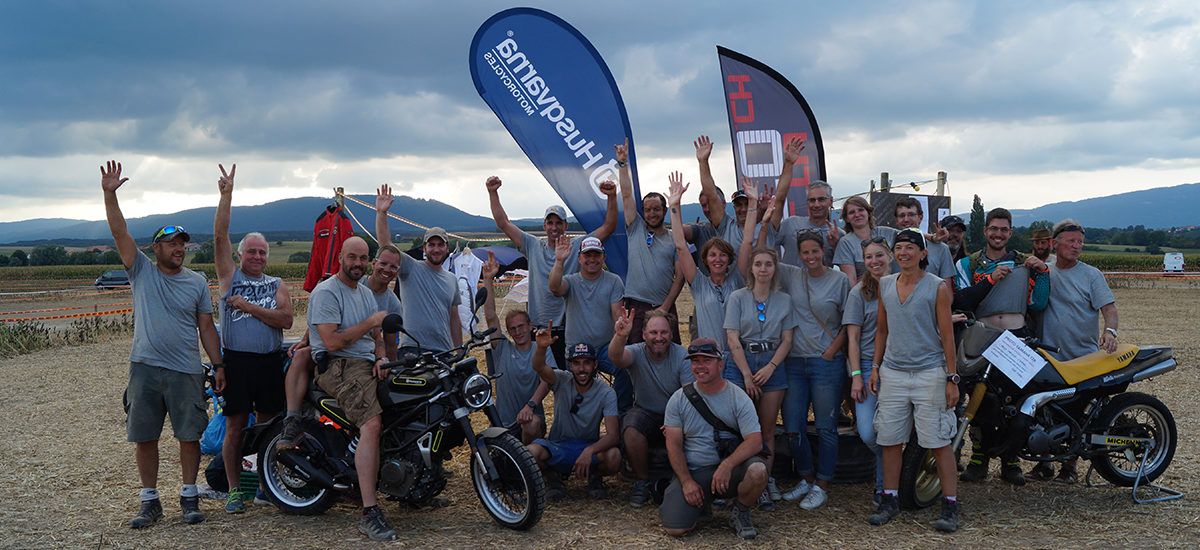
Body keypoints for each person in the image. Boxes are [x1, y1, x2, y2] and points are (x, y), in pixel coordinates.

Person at [102, 161, 222, 529]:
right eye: (172, 242)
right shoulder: (140, 270)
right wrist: (109, 194)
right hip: (145, 367)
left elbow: (206, 326)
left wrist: (219, 366)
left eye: (183, 243)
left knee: (190, 436)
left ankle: (188, 496)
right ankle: (149, 501)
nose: (179, 248)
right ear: (155, 247)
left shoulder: (197, 281)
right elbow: (120, 231)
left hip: (186, 369)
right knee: (145, 436)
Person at [212, 164, 294, 514]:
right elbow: (219, 237)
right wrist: (226, 196)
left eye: (262, 252)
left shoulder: (277, 285)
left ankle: (264, 484)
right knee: (234, 426)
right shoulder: (230, 277)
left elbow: (286, 319)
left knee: (267, 426)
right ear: (241, 254)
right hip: (238, 361)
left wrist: (248, 307)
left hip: (270, 361)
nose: (257, 257)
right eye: (251, 251)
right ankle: (233, 490)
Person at [867, 228, 961, 532]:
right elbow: (882, 330)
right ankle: (890, 500)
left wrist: (952, 377)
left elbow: (947, 335)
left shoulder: (937, 287)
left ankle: (950, 505)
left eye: (910, 247)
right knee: (890, 439)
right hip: (893, 372)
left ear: (923, 254)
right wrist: (875, 367)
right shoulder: (884, 285)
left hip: (929, 372)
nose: (903, 252)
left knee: (937, 441)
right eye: (899, 248)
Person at [952, 207, 1049, 485]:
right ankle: (978, 459)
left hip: (1017, 337)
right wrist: (992, 278)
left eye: (1004, 229)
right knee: (981, 401)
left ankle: (1012, 459)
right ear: (985, 231)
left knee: (1017, 401)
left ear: (1010, 232)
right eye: (993, 228)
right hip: (983, 336)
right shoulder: (967, 264)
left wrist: (1042, 273)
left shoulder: (1024, 262)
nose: (998, 233)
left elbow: (1038, 303)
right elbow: (962, 300)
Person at [306, 236, 394, 540]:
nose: (357, 263)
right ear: (341, 258)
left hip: (366, 362)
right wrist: (370, 322)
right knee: (371, 423)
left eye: (362, 258)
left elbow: (378, 334)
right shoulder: (326, 292)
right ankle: (369, 513)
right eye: (352, 257)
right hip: (338, 365)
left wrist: (381, 357)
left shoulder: (366, 293)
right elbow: (331, 341)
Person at [278, 243, 404, 449]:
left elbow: (388, 343)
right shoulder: (354, 278)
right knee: (302, 355)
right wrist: (306, 339)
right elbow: (325, 321)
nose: (387, 270)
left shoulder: (391, 302)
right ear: (374, 263)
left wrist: (387, 364)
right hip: (337, 353)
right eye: (383, 264)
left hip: (363, 353)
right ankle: (292, 420)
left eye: (393, 267)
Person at [486, 175, 619, 368]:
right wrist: (493, 192)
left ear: (566, 225)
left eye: (559, 223)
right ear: (544, 226)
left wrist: (612, 197)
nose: (554, 227)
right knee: (537, 381)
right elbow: (503, 223)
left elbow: (609, 226)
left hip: (567, 330)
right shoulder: (533, 245)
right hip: (536, 329)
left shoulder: (577, 246)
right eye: (550, 223)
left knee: (566, 382)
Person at [726, 186, 796, 510]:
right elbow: (732, 338)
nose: (763, 269)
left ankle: (765, 484)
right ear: (751, 268)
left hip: (772, 364)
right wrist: (746, 374)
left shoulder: (784, 299)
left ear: (774, 268)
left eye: (769, 264)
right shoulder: (738, 297)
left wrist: (769, 368)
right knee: (743, 427)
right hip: (742, 364)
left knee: (767, 429)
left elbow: (787, 340)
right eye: (758, 264)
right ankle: (742, 480)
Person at [772, 222, 851, 510]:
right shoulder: (792, 275)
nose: (809, 257)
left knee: (827, 427)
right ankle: (805, 477)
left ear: (824, 251)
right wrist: (767, 211)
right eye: (804, 252)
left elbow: (849, 321)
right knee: (793, 428)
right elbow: (762, 250)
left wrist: (831, 352)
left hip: (825, 363)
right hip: (793, 363)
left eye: (815, 251)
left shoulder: (839, 281)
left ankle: (822, 484)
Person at [1034, 219, 1119, 484]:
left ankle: (1069, 467)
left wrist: (1110, 332)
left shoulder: (1091, 275)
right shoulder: (1044, 271)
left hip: (1083, 358)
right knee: (1044, 411)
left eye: (1080, 242)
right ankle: (1045, 464)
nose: (1076, 246)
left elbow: (1110, 310)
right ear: (1054, 243)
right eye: (1071, 241)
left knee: (1077, 413)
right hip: (1048, 358)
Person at [659, 338, 769, 540]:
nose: (700, 366)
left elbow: (755, 441)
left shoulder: (738, 397)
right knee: (675, 529)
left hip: (731, 471)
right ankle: (701, 504)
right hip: (696, 471)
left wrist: (727, 465)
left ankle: (741, 512)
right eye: (695, 361)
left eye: (706, 360)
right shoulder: (678, 399)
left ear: (721, 364)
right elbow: (673, 445)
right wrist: (686, 482)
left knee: (758, 470)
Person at [609, 308, 695, 507]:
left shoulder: (682, 355)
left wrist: (675, 421)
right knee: (630, 427)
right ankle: (641, 481)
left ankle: (680, 479)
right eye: (654, 333)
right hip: (646, 412)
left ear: (672, 334)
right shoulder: (637, 351)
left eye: (664, 332)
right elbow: (616, 357)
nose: (659, 338)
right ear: (644, 334)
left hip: (674, 413)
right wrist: (621, 336)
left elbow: (688, 397)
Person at [527, 335, 622, 501]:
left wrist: (589, 450)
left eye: (587, 362)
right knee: (531, 453)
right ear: (570, 365)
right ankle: (553, 477)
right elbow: (539, 367)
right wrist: (541, 348)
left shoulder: (606, 392)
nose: (582, 369)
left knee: (614, 457)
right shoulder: (561, 379)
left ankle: (594, 476)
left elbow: (613, 435)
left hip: (588, 445)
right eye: (576, 363)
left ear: (595, 365)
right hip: (558, 444)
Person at [480, 251, 556, 444]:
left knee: (529, 425)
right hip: (503, 425)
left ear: (530, 326)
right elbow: (490, 316)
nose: (518, 331)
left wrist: (531, 406)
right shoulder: (502, 349)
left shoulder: (540, 349)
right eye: (512, 329)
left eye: (521, 326)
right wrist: (488, 279)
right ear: (508, 332)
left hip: (531, 419)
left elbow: (547, 381)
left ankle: (530, 465)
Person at [375, 185, 461, 354]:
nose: (436, 249)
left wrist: (459, 352)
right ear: (424, 248)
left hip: (443, 352)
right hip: (412, 350)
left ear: (447, 247)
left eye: (440, 245)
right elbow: (386, 247)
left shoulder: (452, 279)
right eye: (431, 245)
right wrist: (382, 214)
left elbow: (454, 319)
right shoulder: (411, 268)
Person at [615, 138, 685, 343]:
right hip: (636, 307)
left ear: (665, 210)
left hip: (665, 306)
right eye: (647, 209)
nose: (652, 213)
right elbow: (627, 195)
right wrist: (622, 164)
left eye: (657, 209)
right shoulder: (635, 228)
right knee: (635, 359)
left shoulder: (674, 239)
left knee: (671, 358)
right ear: (642, 212)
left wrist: (664, 307)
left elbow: (680, 277)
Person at [548, 235, 630, 412]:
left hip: (604, 348)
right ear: (579, 258)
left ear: (603, 258)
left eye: (596, 255)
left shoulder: (613, 281)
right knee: (573, 396)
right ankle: (574, 421)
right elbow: (554, 287)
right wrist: (559, 261)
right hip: (576, 350)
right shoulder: (571, 281)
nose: (592, 259)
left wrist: (622, 327)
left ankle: (618, 413)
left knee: (626, 367)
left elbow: (618, 315)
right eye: (587, 255)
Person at [667, 171, 745, 352]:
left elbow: (748, 240)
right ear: (705, 259)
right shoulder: (700, 283)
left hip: (737, 357)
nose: (718, 259)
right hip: (710, 355)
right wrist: (674, 205)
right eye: (712, 255)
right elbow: (680, 244)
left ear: (730, 258)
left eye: (722, 255)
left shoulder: (736, 279)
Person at [843, 237, 894, 503]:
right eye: (868, 257)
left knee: (891, 430)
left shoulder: (902, 286)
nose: (874, 262)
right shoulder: (858, 292)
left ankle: (885, 486)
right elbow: (852, 338)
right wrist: (856, 376)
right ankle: (890, 469)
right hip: (864, 365)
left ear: (890, 256)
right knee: (867, 432)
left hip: (897, 365)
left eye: (879, 255)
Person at [766, 137, 843, 267]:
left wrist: (836, 246)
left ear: (830, 201)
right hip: (788, 286)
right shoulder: (791, 224)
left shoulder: (839, 235)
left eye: (821, 199)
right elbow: (779, 201)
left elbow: (844, 271)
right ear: (807, 202)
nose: (816, 204)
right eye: (812, 200)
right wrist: (789, 164)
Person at [681, 136, 748, 269]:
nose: (743, 209)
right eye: (739, 205)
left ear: (724, 204)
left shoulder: (763, 229)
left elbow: (779, 202)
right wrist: (703, 162)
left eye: (747, 204)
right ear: (733, 207)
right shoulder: (724, 227)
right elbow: (711, 195)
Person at [834, 196, 898, 281]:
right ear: (847, 218)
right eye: (852, 212)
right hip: (865, 291)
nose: (857, 215)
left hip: (893, 289)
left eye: (861, 210)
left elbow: (913, 235)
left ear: (868, 212)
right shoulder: (845, 243)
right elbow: (850, 281)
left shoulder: (886, 232)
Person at [893, 197, 955, 280]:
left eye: (911, 215)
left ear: (920, 217)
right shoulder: (888, 244)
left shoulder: (941, 249)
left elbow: (947, 287)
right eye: (902, 215)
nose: (906, 219)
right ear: (896, 220)